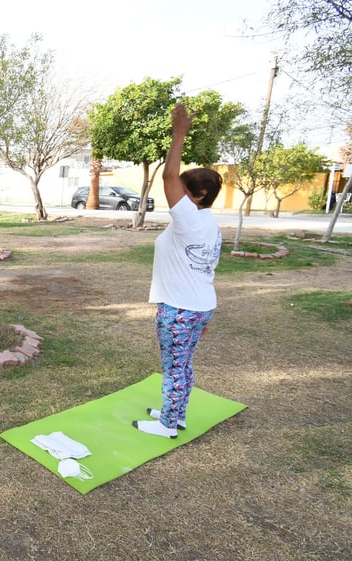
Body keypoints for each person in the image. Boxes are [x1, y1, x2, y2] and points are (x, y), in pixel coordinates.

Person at [133, 103, 223, 438]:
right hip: (198, 306)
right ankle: (176, 414)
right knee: (181, 365)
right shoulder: (207, 222)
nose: (175, 197)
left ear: (199, 196)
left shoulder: (189, 217)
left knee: (175, 368)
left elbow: (169, 175)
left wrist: (179, 132)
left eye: (183, 193)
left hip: (182, 309)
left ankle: (167, 425)